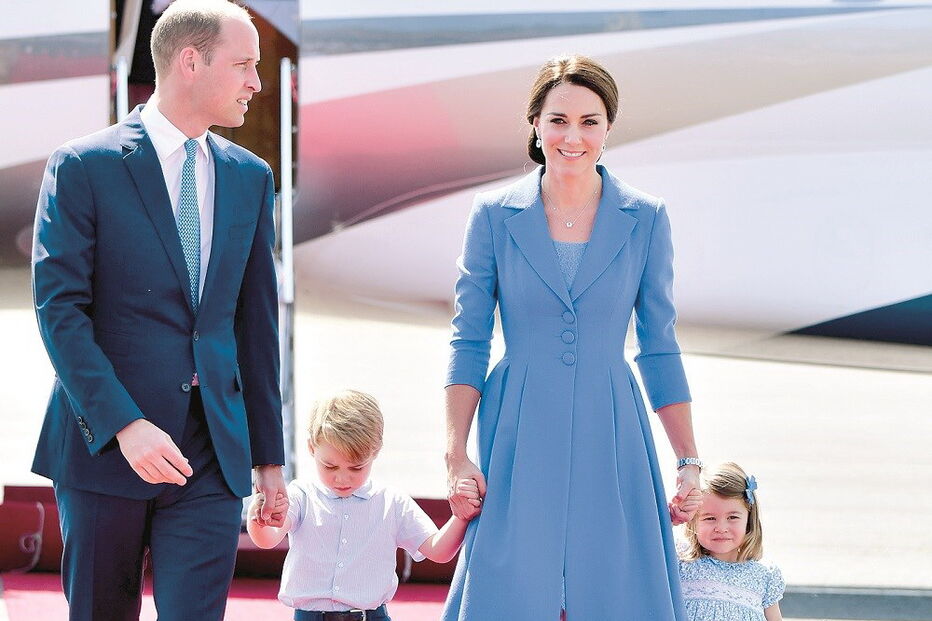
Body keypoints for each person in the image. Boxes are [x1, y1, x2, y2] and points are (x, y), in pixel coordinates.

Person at [30, 1, 286, 618]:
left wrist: (269, 460)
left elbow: (256, 326)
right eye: (245, 65)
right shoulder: (83, 166)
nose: (258, 81)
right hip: (104, 449)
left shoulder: (250, 177)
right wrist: (125, 425)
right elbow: (59, 311)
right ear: (191, 62)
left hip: (210, 452)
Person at [443, 54, 702, 619]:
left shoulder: (646, 217)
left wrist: (688, 459)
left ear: (608, 129)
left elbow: (659, 344)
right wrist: (456, 453)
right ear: (534, 124)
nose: (573, 136)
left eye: (590, 121)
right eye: (558, 119)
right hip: (517, 417)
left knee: (617, 580)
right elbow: (469, 338)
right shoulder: (492, 214)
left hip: (612, 418)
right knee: (510, 580)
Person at [247, 390, 481, 621]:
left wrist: (461, 514)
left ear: (375, 451)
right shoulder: (301, 495)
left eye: (356, 467)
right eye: (330, 466)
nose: (342, 478)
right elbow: (267, 539)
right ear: (311, 448)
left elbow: (438, 550)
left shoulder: (392, 503)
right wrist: (259, 517)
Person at [678, 462, 785, 621]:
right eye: (710, 518)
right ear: (693, 520)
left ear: (749, 520)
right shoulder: (681, 563)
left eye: (732, 517)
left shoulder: (764, 575)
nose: (721, 528)